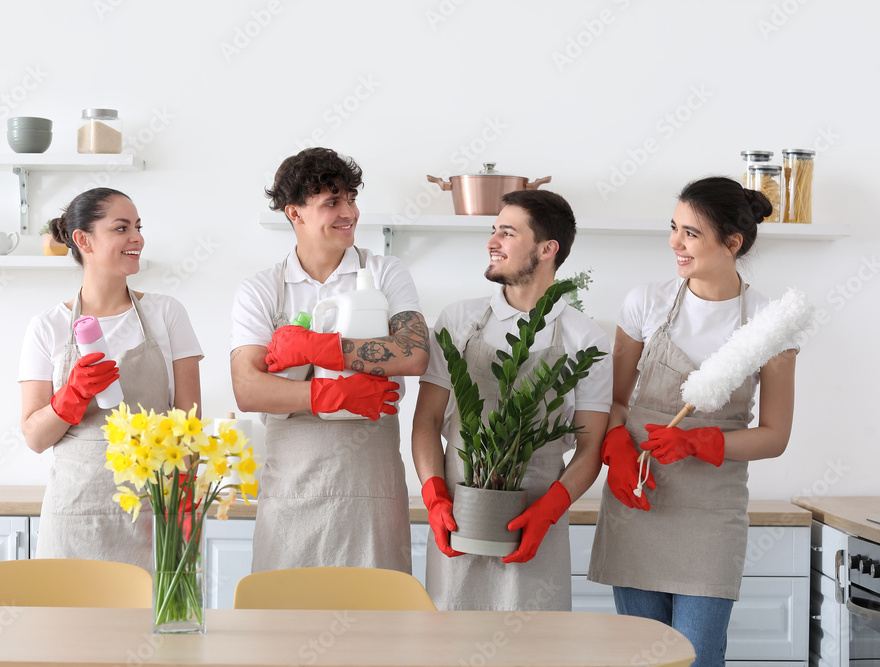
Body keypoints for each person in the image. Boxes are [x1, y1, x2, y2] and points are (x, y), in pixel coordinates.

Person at [588, 177, 798, 666]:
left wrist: (702, 443)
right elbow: (615, 401)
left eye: (690, 233)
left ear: (732, 244)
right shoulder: (647, 302)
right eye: (673, 228)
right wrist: (616, 451)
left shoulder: (771, 323)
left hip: (711, 511)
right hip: (638, 496)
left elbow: (775, 435)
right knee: (639, 657)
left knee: (699, 656)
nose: (675, 244)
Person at [230, 147, 430, 573]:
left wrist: (324, 349)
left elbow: (413, 353)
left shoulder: (385, 273)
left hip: (371, 488)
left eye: (352, 199)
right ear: (295, 214)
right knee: (285, 621)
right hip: (291, 490)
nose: (349, 213)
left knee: (376, 620)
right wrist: (334, 394)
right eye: (332, 203)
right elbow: (248, 389)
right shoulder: (263, 290)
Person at [412, 189, 613, 610]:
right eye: (493, 230)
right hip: (459, 518)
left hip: (537, 524)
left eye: (507, 232)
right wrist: (433, 496)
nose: (492, 242)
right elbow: (428, 422)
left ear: (546, 249)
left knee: (535, 647)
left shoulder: (586, 339)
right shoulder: (458, 321)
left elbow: (591, 447)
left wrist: (550, 510)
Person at [18, 188, 203, 571]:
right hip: (75, 515)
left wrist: (182, 507)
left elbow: (189, 425)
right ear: (83, 240)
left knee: (148, 629)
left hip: (153, 511)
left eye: (137, 226)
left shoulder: (166, 314)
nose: (137, 237)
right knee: (68, 630)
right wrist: (72, 395)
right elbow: (35, 437)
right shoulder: (47, 327)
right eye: (121, 228)